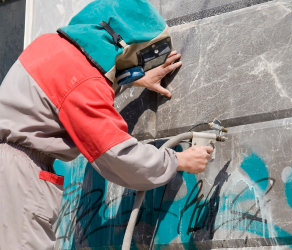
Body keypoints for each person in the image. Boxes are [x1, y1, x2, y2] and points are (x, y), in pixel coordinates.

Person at [0, 0, 213, 249]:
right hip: (18, 178)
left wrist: (133, 80)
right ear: (123, 45)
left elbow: (68, 91)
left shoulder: (50, 45)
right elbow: (116, 153)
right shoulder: (82, 80)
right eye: (141, 56)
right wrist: (178, 161)